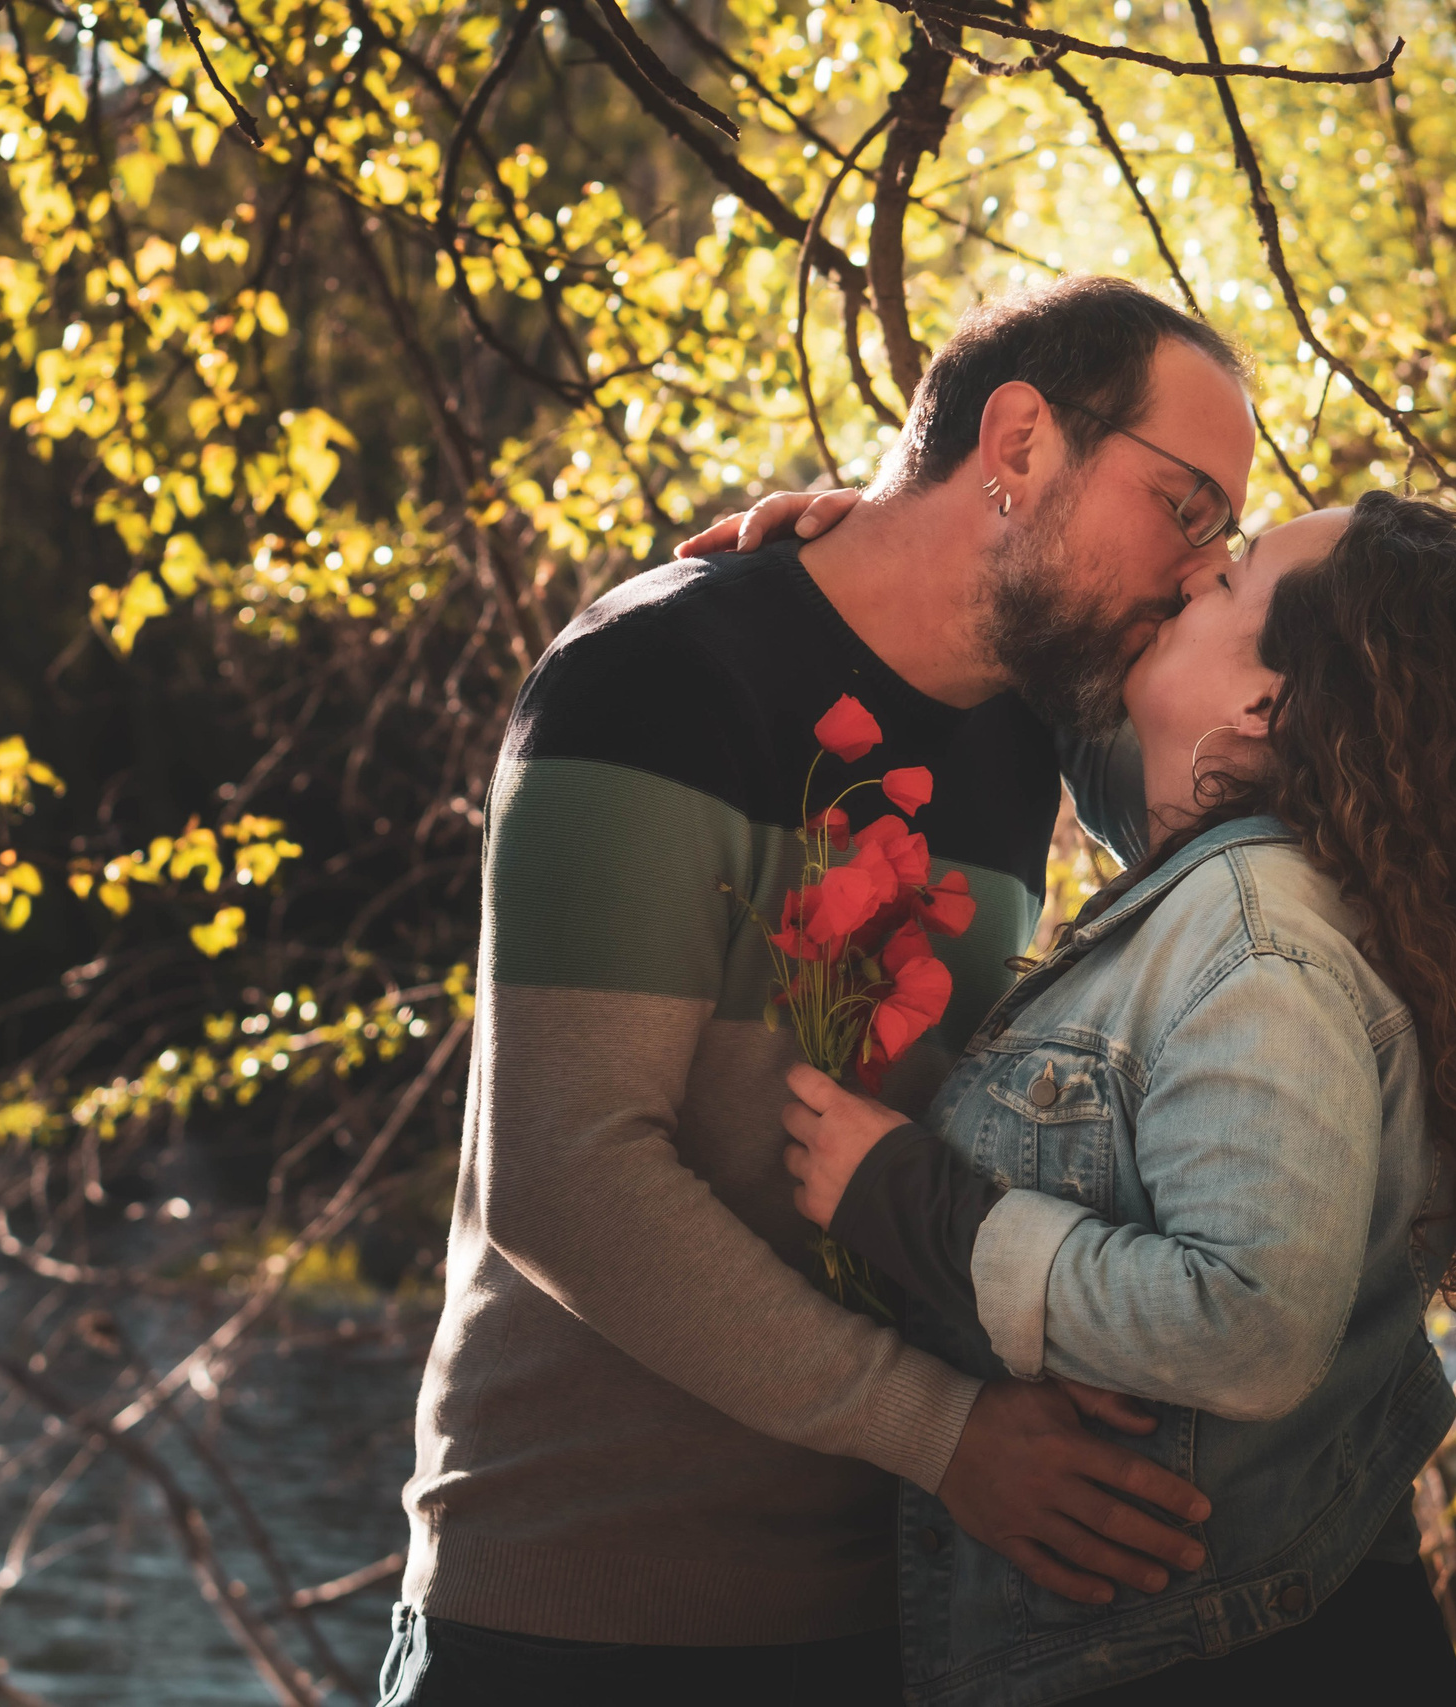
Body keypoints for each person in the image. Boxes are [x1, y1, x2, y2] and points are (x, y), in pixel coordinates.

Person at [376, 277, 1262, 1705]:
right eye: (1188, 506)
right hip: (568, 1621)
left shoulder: (1034, 733)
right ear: (1020, 442)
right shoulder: (655, 671)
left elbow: (1260, 754)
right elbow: (567, 1173)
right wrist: (951, 1434)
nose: (1204, 568)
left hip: (873, 1617)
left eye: (1231, 532)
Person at [768, 490, 1456, 1704]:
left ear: (1265, 708)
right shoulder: (1245, 864)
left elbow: (1250, 1322)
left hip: (1218, 1663)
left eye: (1233, 580)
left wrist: (915, 1208)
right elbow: (1084, 703)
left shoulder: (1257, 941)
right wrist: (886, 539)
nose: (1197, 572)